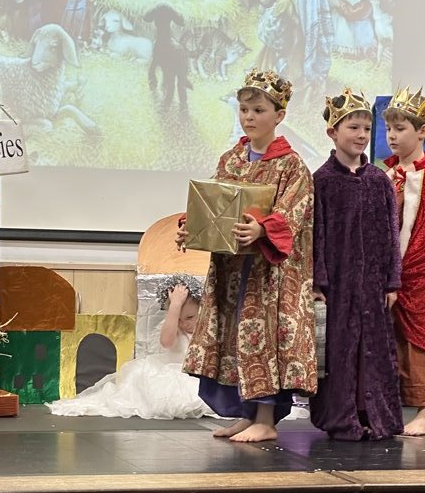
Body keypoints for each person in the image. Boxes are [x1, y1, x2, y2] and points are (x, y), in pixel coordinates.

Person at [178, 69, 317, 443]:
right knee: (235, 335)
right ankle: (246, 413)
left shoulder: (291, 165)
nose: (249, 117)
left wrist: (263, 229)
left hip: (268, 276)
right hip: (233, 270)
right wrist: (192, 226)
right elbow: (214, 204)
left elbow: (295, 212)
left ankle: (266, 419)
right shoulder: (232, 160)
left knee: (262, 337)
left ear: (279, 115)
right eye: (244, 110)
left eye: (258, 110)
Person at [309, 88, 403, 440]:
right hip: (339, 284)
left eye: (366, 129)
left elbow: (391, 234)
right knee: (341, 350)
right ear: (332, 132)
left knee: (373, 349)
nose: (361, 135)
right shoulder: (322, 181)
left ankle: (374, 417)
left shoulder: (379, 180)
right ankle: (342, 416)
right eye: (353, 128)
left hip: (374, 283)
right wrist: (318, 281)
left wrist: (392, 281)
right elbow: (316, 234)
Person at [382, 87, 425, 435]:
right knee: (385, 338)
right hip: (387, 275)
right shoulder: (386, 173)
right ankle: (385, 404)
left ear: (422, 131)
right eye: (388, 129)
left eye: (400, 129)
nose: (392, 136)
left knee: (418, 339)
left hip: (415, 275)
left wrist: (402, 276)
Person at [48, 280, 210, 419]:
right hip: (175, 372)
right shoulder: (174, 330)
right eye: (178, 319)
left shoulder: (209, 329)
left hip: (200, 376)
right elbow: (167, 342)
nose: (184, 324)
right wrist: (175, 305)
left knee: (205, 395)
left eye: (190, 317)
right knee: (160, 396)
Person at [257, 0, 333, 102]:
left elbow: (271, 34)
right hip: (298, 49)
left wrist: (267, 17)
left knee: (266, 57)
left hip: (290, 53)